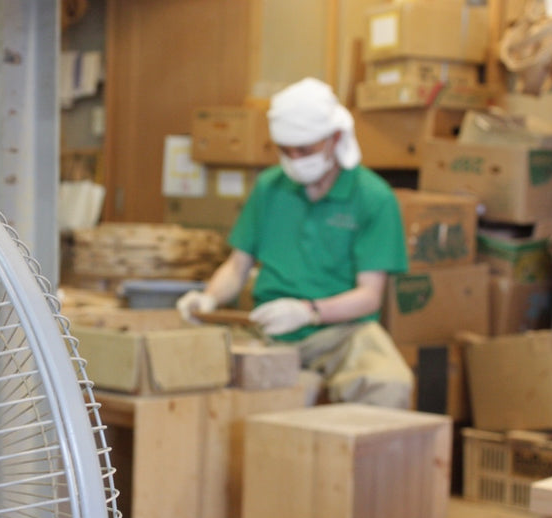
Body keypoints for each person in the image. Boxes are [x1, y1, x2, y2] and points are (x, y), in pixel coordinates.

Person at [176, 77, 413, 408]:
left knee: (387, 383)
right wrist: (209, 299)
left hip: (341, 332)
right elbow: (237, 265)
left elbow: (369, 296)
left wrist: (309, 312)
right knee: (186, 369)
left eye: (305, 150)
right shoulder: (270, 187)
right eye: (285, 151)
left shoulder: (373, 198)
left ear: (335, 139)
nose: (295, 159)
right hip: (266, 329)